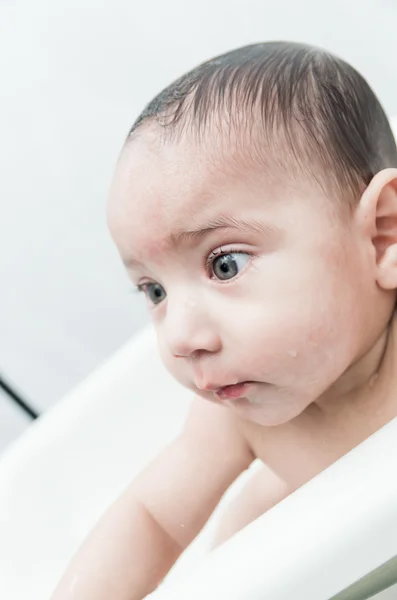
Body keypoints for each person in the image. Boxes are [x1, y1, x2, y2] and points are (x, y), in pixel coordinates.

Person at [51, 41, 397, 599]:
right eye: (154, 289)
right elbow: (152, 520)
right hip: (327, 540)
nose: (181, 338)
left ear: (383, 234)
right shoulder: (242, 419)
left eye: (224, 264)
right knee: (248, 534)